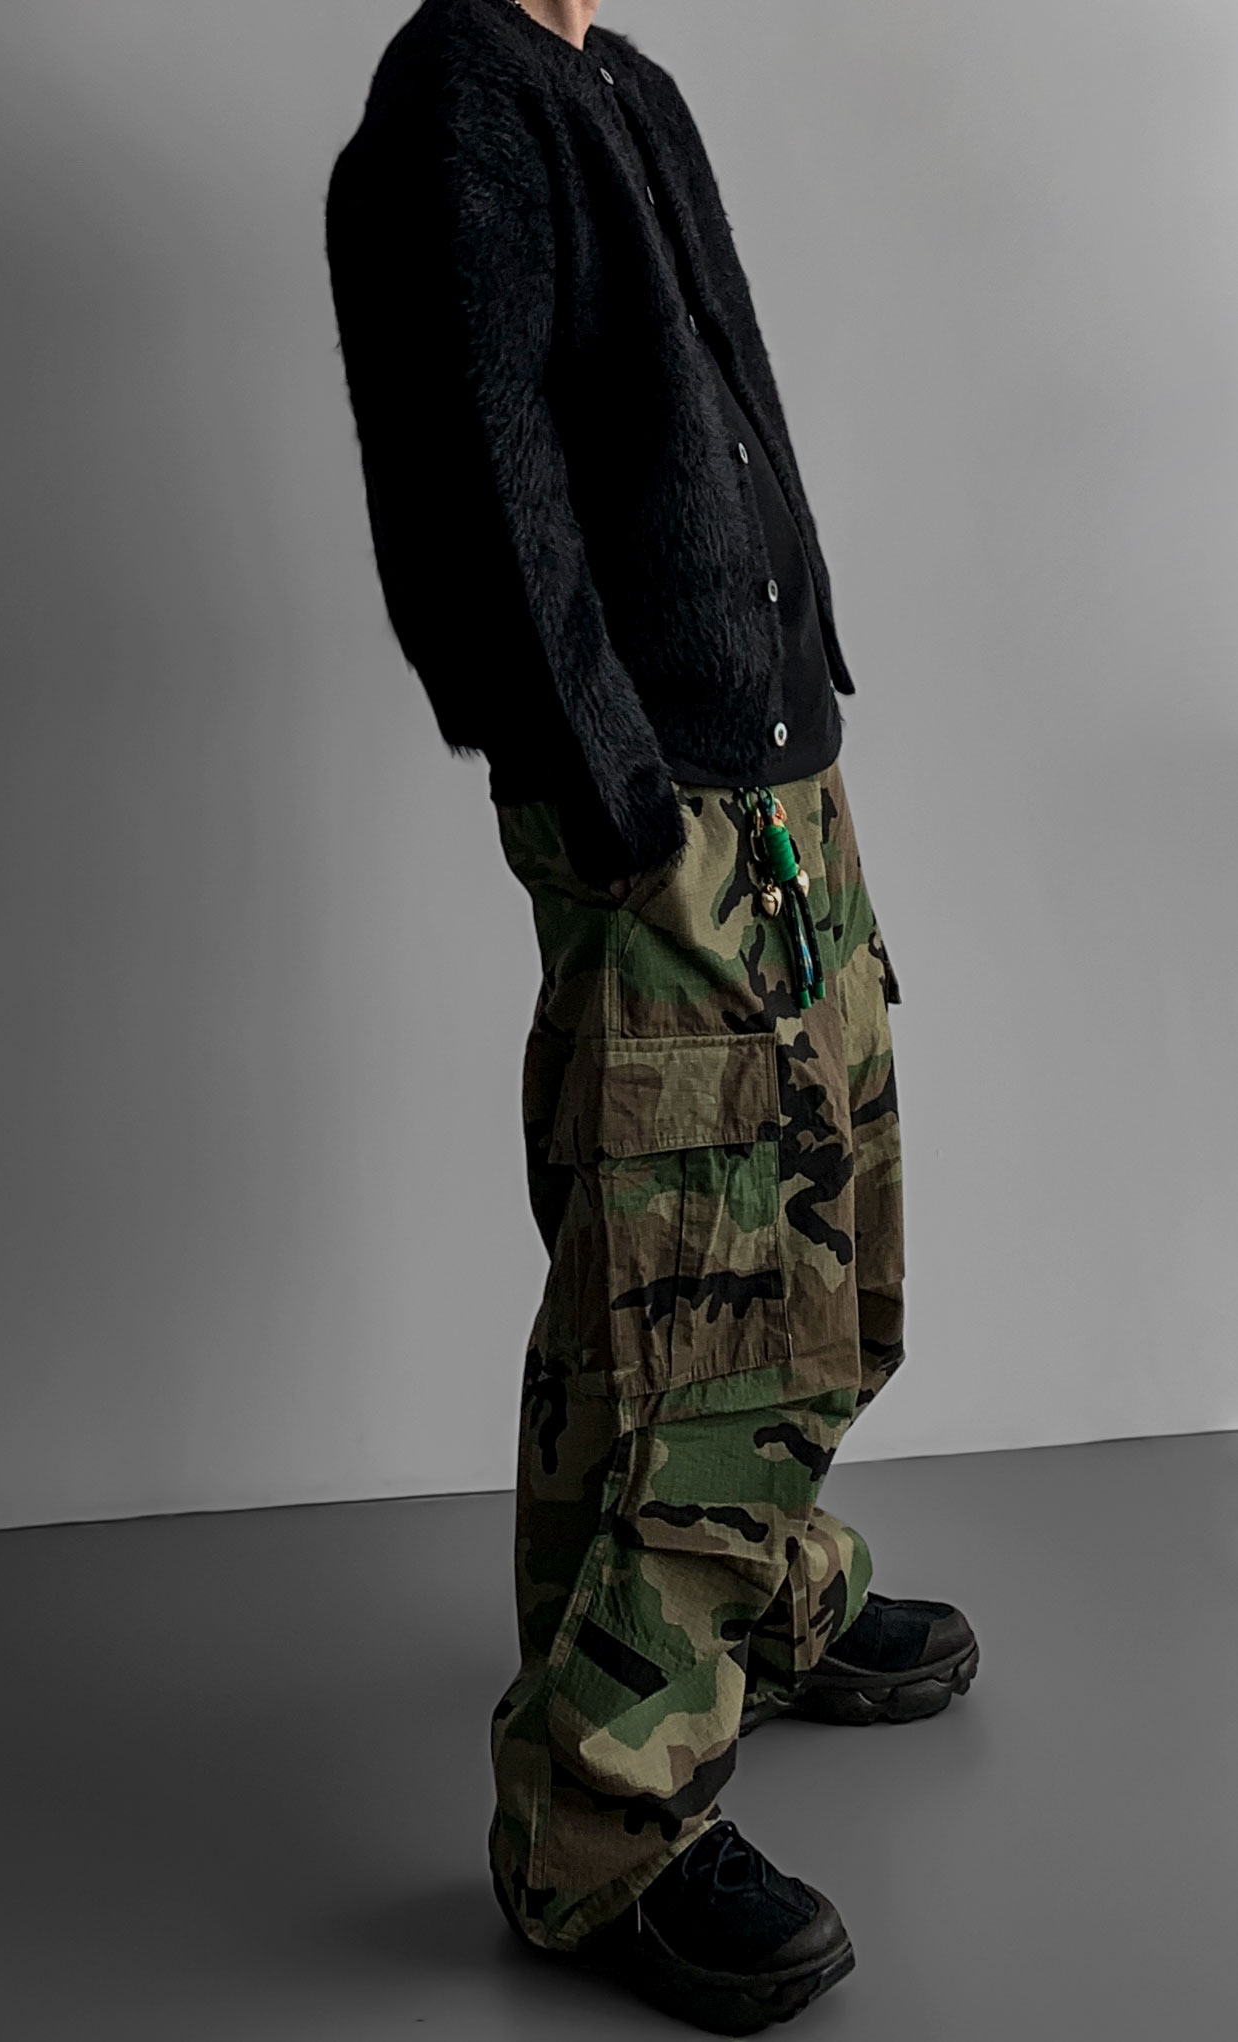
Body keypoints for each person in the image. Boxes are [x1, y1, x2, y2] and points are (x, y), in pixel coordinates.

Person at [326, 1, 977, 2030]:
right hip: (668, 808)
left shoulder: (624, 79)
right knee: (700, 1301)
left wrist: (801, 697)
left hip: (774, 778)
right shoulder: (461, 106)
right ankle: (599, 1828)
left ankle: (748, 1604)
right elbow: (481, 487)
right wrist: (619, 797)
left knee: (826, 1253)